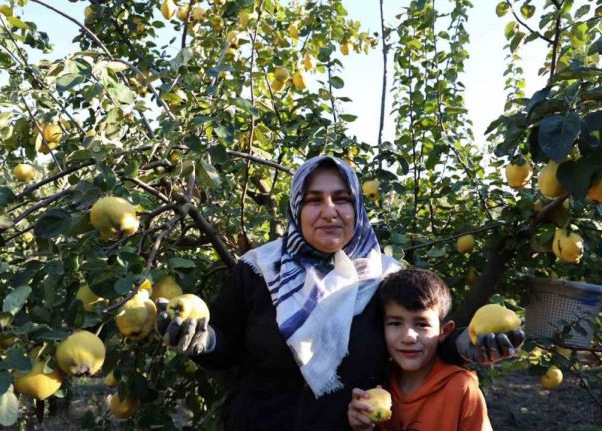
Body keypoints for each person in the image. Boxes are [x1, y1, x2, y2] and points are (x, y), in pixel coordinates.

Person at [159, 155, 522, 430]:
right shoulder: (258, 270)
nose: (329, 211)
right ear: (297, 208)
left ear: (357, 208)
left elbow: (418, 338)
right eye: (315, 199)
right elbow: (225, 347)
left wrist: (467, 345)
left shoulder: (384, 276)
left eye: (342, 198)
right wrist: (198, 340)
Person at [347, 268, 492, 431]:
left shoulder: (461, 389)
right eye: (395, 323)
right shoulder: (378, 383)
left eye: (422, 324)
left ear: (444, 331)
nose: (408, 337)